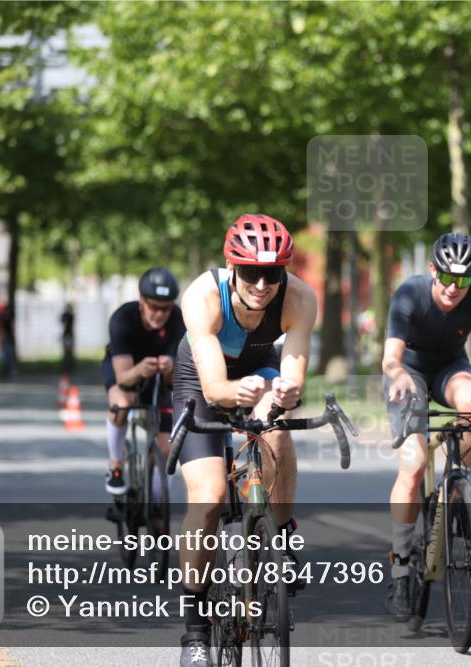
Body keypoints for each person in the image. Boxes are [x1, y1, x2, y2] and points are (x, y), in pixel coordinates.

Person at [171, 214, 316, 666]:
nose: (261, 284)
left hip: (258, 367)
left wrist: (286, 392)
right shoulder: (202, 296)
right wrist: (237, 393)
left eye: (272, 274)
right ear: (231, 266)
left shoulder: (300, 297)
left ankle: (282, 539)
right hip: (201, 381)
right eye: (251, 272)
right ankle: (195, 632)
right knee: (209, 498)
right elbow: (216, 389)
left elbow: (293, 375)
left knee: (278, 428)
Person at [381, 232, 471, 621]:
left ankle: (456, 489)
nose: (452, 288)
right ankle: (400, 567)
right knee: (414, 467)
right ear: (433, 269)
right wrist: (398, 375)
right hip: (407, 374)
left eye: (462, 281)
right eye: (446, 277)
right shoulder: (410, 293)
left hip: (450, 367)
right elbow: (390, 357)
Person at [102, 268, 185, 496]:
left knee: (167, 448)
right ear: (141, 300)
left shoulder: (178, 320)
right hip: (125, 370)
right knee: (121, 403)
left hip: (159, 377)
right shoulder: (122, 318)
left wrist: (170, 368)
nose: (160, 314)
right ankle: (116, 464)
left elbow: (176, 381)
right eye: (154, 307)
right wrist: (139, 370)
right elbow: (123, 378)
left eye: (166, 308)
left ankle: (157, 507)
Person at [60, 303, 75, 375]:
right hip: (67, 334)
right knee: (66, 351)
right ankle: (66, 365)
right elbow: (62, 320)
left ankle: (69, 365)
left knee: (69, 351)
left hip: (69, 334)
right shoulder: (66, 315)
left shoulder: (71, 315)